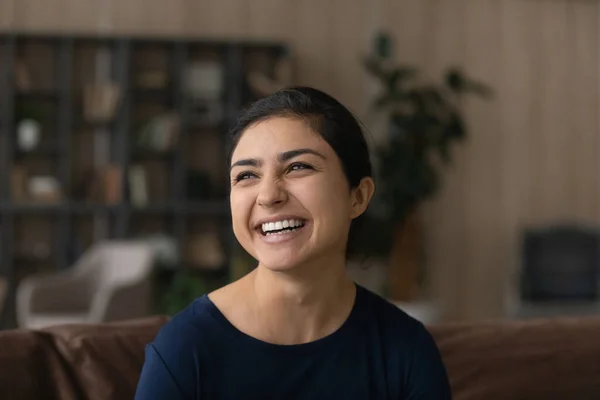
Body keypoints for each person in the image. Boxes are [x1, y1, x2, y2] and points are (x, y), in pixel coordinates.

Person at [134, 87, 451, 399]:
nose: (269, 195)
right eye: (246, 176)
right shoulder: (185, 348)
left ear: (358, 196)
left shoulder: (405, 350)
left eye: (298, 166)